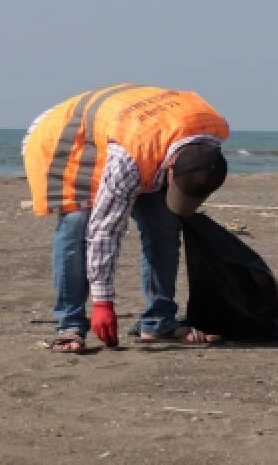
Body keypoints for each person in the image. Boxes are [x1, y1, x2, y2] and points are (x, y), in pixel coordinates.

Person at [22, 84, 230, 353]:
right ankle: (70, 324)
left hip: (134, 137)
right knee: (77, 225)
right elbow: (104, 231)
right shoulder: (129, 161)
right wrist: (103, 304)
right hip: (68, 139)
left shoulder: (213, 132)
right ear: (169, 166)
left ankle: (159, 322)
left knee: (165, 225)